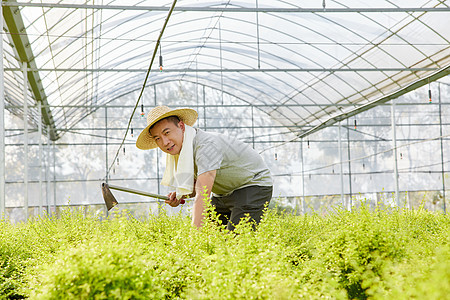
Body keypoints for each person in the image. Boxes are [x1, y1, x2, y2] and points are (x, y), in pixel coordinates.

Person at [136, 105, 273, 230]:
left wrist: (194, 238)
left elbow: (203, 193)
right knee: (211, 236)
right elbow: (196, 187)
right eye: (157, 138)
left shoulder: (206, 146)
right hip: (223, 193)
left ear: (181, 126)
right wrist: (180, 194)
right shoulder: (182, 151)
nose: (164, 142)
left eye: (167, 133)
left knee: (236, 242)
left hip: (252, 185)